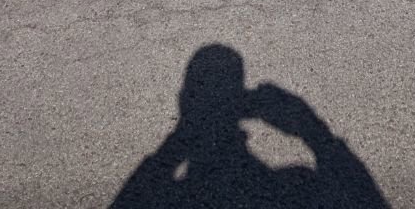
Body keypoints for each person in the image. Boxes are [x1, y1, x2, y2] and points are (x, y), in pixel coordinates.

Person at [110, 44, 389, 209]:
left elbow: (133, 198)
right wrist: (313, 130)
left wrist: (187, 131)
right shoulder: (297, 184)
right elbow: (364, 199)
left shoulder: (174, 196)